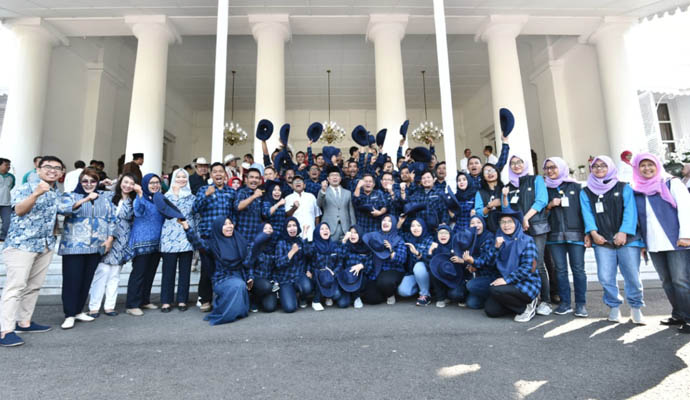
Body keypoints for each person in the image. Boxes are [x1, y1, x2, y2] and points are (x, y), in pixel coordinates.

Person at [0, 156, 67, 347]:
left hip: (45, 244)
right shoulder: (25, 187)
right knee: (15, 287)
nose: (53, 170)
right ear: (38, 170)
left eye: (57, 168)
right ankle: (5, 330)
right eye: (48, 167)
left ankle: (24, 322)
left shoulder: (55, 193)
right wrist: (36, 193)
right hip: (22, 244)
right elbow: (19, 210)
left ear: (62, 173)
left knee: (34, 286)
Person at [580, 156, 645, 324]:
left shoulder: (624, 187)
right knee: (605, 276)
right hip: (602, 240)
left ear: (610, 167)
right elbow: (587, 214)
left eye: (603, 165)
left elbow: (630, 211)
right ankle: (614, 307)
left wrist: (623, 232)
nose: (599, 168)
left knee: (632, 275)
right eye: (595, 166)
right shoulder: (586, 191)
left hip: (628, 239)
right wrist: (593, 234)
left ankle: (636, 307)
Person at [632, 153, 690, 333]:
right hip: (654, 242)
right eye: (642, 165)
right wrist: (642, 242)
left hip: (676, 240)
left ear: (657, 165)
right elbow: (639, 219)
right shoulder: (637, 188)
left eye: (650, 164)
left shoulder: (672, 183)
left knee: (681, 280)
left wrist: (686, 235)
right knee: (666, 281)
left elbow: (686, 209)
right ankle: (678, 314)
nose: (647, 168)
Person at [58, 168, 116, 329]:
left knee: (86, 280)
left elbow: (112, 219)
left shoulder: (104, 198)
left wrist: (110, 239)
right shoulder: (70, 196)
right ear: (80, 182)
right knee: (72, 281)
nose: (89, 184)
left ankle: (78, 311)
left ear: (97, 182)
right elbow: (63, 210)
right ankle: (69, 314)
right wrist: (85, 199)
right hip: (74, 246)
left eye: (92, 181)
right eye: (85, 181)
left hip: (96, 246)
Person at [501, 154, 552, 316]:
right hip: (518, 231)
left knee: (538, 264)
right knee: (521, 264)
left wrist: (525, 218)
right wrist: (504, 196)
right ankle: (529, 298)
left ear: (525, 163)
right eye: (513, 163)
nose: (516, 165)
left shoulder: (536, 179)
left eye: (519, 162)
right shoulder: (508, 185)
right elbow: (506, 209)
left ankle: (546, 300)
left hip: (536, 227)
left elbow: (541, 201)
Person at [179, 217, 251, 326]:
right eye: (225, 224)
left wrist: (250, 277)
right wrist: (186, 227)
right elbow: (197, 242)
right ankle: (226, 313)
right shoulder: (212, 244)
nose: (229, 226)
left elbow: (248, 262)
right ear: (218, 227)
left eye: (230, 223)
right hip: (221, 279)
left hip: (239, 276)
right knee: (238, 285)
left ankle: (236, 311)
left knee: (239, 285)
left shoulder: (239, 240)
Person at [543, 157, 588, 317]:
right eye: (547, 168)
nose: (550, 171)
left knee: (578, 270)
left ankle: (581, 304)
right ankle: (565, 303)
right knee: (560, 270)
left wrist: (588, 232)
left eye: (553, 167)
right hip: (554, 236)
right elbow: (540, 214)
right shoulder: (544, 189)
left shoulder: (576, 187)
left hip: (576, 234)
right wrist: (550, 205)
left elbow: (585, 211)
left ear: (562, 168)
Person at [88, 173, 138, 317]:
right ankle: (94, 307)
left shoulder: (134, 201)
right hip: (105, 236)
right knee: (102, 271)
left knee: (115, 273)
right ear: (120, 182)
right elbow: (89, 191)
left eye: (131, 183)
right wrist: (101, 184)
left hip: (122, 238)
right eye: (125, 182)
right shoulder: (107, 196)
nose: (127, 186)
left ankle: (110, 306)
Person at [483, 209, 542, 322]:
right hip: (507, 283)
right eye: (503, 222)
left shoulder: (527, 240)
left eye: (510, 221)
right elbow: (489, 263)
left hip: (526, 283)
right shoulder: (498, 239)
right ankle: (517, 306)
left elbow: (529, 267)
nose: (506, 225)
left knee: (494, 289)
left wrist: (507, 279)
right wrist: (496, 248)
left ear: (516, 223)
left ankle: (527, 307)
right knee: (491, 310)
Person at [193, 162, 236, 312]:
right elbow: (195, 209)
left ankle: (222, 299)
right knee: (207, 268)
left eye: (221, 171)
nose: (218, 174)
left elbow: (233, 213)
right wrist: (206, 195)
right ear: (211, 175)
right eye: (215, 171)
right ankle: (205, 299)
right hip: (207, 236)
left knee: (224, 268)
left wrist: (232, 228)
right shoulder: (203, 189)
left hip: (225, 237)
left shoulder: (231, 192)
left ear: (225, 174)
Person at [125, 173, 165, 316]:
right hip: (141, 242)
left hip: (156, 242)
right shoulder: (139, 198)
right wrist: (140, 194)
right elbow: (138, 211)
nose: (155, 185)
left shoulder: (159, 199)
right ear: (145, 185)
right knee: (139, 274)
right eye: (151, 183)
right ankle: (132, 304)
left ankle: (144, 300)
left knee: (150, 273)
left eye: (157, 182)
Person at [159, 168, 195, 312]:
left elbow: (194, 216)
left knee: (185, 271)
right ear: (173, 179)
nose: (181, 179)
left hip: (186, 236)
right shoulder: (165, 196)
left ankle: (182, 300)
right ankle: (166, 301)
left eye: (184, 177)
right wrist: (174, 194)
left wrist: (195, 237)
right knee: (168, 271)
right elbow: (169, 212)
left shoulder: (192, 197)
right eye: (178, 177)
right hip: (169, 237)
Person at [361, 215, 407, 305]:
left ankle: (390, 294)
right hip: (376, 271)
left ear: (394, 224)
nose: (385, 223)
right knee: (371, 298)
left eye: (389, 221)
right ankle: (384, 293)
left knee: (385, 282)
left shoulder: (398, 239)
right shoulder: (375, 236)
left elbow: (401, 260)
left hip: (393, 269)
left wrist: (391, 250)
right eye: (384, 220)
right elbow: (367, 253)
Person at [275, 217, 314, 312]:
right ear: (285, 229)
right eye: (289, 226)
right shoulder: (281, 243)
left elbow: (309, 254)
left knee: (308, 287)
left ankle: (301, 297)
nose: (292, 228)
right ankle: (288, 294)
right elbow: (278, 264)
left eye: (294, 225)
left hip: (298, 275)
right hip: (285, 279)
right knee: (290, 308)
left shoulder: (300, 240)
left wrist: (305, 235)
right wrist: (291, 252)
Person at [462, 215, 498, 309]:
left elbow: (487, 261)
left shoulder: (489, 238)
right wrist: (469, 264)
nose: (476, 225)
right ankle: (487, 298)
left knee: (471, 286)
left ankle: (494, 296)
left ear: (483, 224)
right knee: (471, 303)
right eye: (472, 223)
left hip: (491, 275)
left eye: (479, 222)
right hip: (478, 274)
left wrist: (474, 262)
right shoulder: (469, 238)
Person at [397, 217, 434, 306]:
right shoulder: (408, 237)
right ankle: (422, 287)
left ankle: (425, 295)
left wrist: (417, 253)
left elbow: (429, 260)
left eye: (418, 225)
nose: (415, 228)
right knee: (403, 291)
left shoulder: (429, 239)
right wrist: (400, 223)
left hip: (426, 272)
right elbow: (397, 234)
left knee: (418, 266)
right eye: (413, 226)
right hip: (412, 273)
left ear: (423, 227)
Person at [428, 224, 467, 308]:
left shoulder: (456, 246)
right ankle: (441, 298)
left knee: (456, 294)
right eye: (440, 233)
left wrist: (461, 261)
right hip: (440, 278)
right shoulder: (435, 246)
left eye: (446, 233)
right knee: (432, 271)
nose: (443, 235)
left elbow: (467, 266)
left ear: (450, 234)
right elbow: (428, 264)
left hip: (456, 278)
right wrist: (430, 252)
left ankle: (456, 295)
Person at [245, 224, 279, 312]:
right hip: (256, 278)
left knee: (270, 307)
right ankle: (254, 298)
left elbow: (276, 267)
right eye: (265, 228)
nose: (268, 230)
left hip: (270, 280)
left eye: (270, 228)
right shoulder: (254, 245)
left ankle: (262, 298)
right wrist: (250, 277)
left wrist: (275, 281)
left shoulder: (275, 245)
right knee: (266, 286)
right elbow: (249, 264)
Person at [336, 225, 372, 309]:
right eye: (351, 233)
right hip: (346, 280)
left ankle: (356, 296)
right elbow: (339, 257)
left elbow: (370, 266)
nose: (352, 235)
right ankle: (350, 295)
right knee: (343, 304)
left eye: (355, 233)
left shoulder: (366, 247)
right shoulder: (346, 245)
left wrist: (362, 265)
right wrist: (344, 240)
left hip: (360, 280)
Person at [317, 166, 356, 242]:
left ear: (340, 178)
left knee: (345, 248)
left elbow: (351, 212)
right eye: (332, 175)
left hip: (345, 228)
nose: (335, 177)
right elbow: (319, 204)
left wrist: (353, 228)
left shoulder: (347, 193)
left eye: (337, 175)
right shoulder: (323, 192)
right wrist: (323, 191)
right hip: (329, 228)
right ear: (328, 179)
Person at [310, 222, 342, 310]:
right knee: (322, 275)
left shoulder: (335, 245)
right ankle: (316, 300)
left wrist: (334, 272)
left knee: (337, 295)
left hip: (331, 276)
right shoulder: (313, 246)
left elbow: (339, 263)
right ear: (317, 232)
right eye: (322, 229)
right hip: (317, 275)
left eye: (327, 228)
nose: (325, 230)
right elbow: (307, 256)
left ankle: (327, 296)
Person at [285, 175, 321, 241]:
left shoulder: (311, 197)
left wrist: (317, 231)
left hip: (311, 232)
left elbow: (317, 216)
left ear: (304, 185)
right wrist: (294, 208)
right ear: (292, 186)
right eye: (295, 181)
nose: (298, 182)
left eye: (300, 181)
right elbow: (287, 216)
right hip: (295, 234)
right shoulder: (288, 198)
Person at [235, 167, 265, 241]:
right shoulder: (242, 192)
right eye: (251, 177)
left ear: (260, 181)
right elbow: (238, 206)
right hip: (242, 236)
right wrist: (254, 196)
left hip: (255, 237)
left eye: (257, 178)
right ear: (246, 179)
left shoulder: (260, 194)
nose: (254, 180)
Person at [475, 163, 503, 233]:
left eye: (492, 170)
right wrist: (490, 206)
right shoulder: (480, 192)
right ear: (483, 176)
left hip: (506, 227)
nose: (490, 173)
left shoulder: (505, 188)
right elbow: (478, 213)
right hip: (489, 229)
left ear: (497, 172)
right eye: (486, 171)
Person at [0, 157, 14, 242]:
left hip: (6, 203)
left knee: (7, 221)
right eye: (6, 165)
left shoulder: (11, 177)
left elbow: (11, 187)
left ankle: (3, 237)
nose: (8, 167)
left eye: (9, 165)